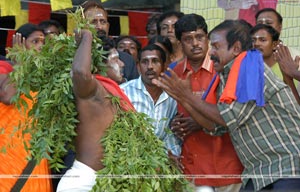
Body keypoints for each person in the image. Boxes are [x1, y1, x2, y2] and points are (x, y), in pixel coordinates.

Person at [152, 19, 300, 191]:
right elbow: (215, 127)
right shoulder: (226, 76)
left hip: (286, 164)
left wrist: (186, 96)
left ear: (236, 48)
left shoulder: (250, 67)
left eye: (216, 46)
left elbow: (227, 117)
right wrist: (184, 98)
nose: (211, 52)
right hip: (259, 170)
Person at [169, 13, 243, 192]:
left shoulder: (225, 67)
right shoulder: (173, 73)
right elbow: (166, 112)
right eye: (188, 39)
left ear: (207, 39)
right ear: (179, 43)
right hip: (191, 166)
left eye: (200, 37)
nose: (195, 44)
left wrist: (199, 122)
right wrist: (173, 124)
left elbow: (234, 115)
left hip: (227, 165)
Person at [56, 29, 134, 191]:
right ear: (100, 64)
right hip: (83, 181)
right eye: (115, 59)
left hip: (108, 181)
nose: (122, 64)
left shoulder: (113, 92)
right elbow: (80, 72)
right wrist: (87, 37)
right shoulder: (92, 90)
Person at [120, 43, 181, 157]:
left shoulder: (173, 96)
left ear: (164, 65)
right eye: (145, 62)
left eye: (155, 61)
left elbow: (169, 134)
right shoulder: (124, 92)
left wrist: (172, 155)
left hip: (160, 164)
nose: (150, 67)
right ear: (138, 67)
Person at [0, 60, 53, 191]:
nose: (40, 46)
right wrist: (19, 67)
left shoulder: (40, 85)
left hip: (33, 170)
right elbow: (8, 96)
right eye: (35, 41)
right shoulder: (6, 68)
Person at [82, 0, 139, 82]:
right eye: (93, 22)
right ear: (82, 27)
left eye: (103, 22)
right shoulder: (75, 58)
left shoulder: (127, 60)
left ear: (108, 26)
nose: (99, 27)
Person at [250, 24, 300, 104]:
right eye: (253, 40)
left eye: (262, 40)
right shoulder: (245, 68)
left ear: (274, 45)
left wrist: (291, 73)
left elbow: (293, 106)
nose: (256, 44)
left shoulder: (287, 67)